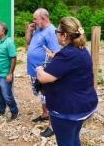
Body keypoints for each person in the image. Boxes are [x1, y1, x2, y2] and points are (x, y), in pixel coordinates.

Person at [36, 17, 98, 146]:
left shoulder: (67, 54)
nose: (56, 34)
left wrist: (39, 69)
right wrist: (55, 56)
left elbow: (44, 78)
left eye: (57, 32)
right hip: (83, 106)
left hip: (68, 111)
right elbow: (70, 66)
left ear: (64, 35)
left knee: (65, 142)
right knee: (73, 139)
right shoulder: (80, 50)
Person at [25, 8, 60, 137]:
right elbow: (28, 42)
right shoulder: (38, 29)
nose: (33, 21)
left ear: (44, 18)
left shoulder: (51, 31)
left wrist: (49, 71)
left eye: (35, 19)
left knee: (49, 97)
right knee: (41, 95)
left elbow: (55, 53)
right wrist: (29, 30)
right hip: (35, 70)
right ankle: (45, 114)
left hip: (44, 72)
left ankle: (52, 126)